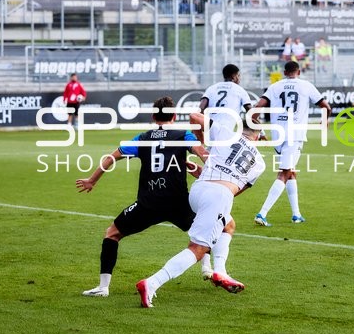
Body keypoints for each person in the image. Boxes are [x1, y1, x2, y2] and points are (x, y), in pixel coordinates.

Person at [77, 96, 209, 297]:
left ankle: (103, 287)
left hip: (149, 203)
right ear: (174, 116)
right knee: (207, 231)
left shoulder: (143, 138)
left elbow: (112, 157)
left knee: (112, 234)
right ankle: (209, 269)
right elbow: (203, 154)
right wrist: (206, 170)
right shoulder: (184, 135)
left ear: (154, 116)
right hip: (178, 202)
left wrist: (92, 180)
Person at [136, 114, 266, 308]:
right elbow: (234, 189)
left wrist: (202, 149)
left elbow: (195, 116)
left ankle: (220, 271)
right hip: (219, 196)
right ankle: (152, 283)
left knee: (228, 225)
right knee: (197, 249)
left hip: (198, 190)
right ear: (257, 136)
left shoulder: (225, 132)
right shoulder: (260, 163)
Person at [253, 61, 331, 226]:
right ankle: (262, 213)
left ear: (284, 72)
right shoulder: (306, 85)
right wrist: (325, 121)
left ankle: (296, 214)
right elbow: (326, 106)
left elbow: (256, 108)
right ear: (299, 72)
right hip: (294, 135)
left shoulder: (275, 86)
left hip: (277, 135)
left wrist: (259, 130)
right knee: (284, 173)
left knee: (291, 173)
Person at [197, 63, 252, 279]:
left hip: (212, 138)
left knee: (207, 179)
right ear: (236, 76)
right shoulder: (239, 90)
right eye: (239, 75)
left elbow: (200, 109)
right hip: (228, 142)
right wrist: (259, 132)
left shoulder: (211, 88)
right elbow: (251, 113)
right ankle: (211, 262)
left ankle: (206, 264)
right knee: (221, 189)